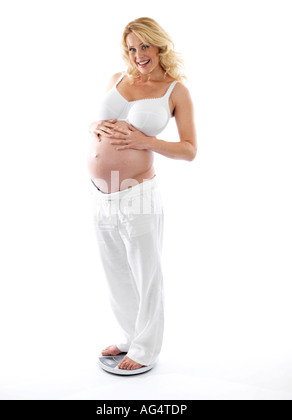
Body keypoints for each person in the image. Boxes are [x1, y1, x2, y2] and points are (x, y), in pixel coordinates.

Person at [87, 17, 197, 371]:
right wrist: (93, 126)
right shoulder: (117, 79)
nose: (138, 55)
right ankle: (127, 336)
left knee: (145, 271)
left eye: (144, 46)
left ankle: (146, 348)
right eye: (132, 48)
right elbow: (99, 121)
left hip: (139, 194)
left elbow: (189, 149)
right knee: (115, 270)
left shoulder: (174, 90)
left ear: (159, 45)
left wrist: (146, 141)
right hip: (101, 193)